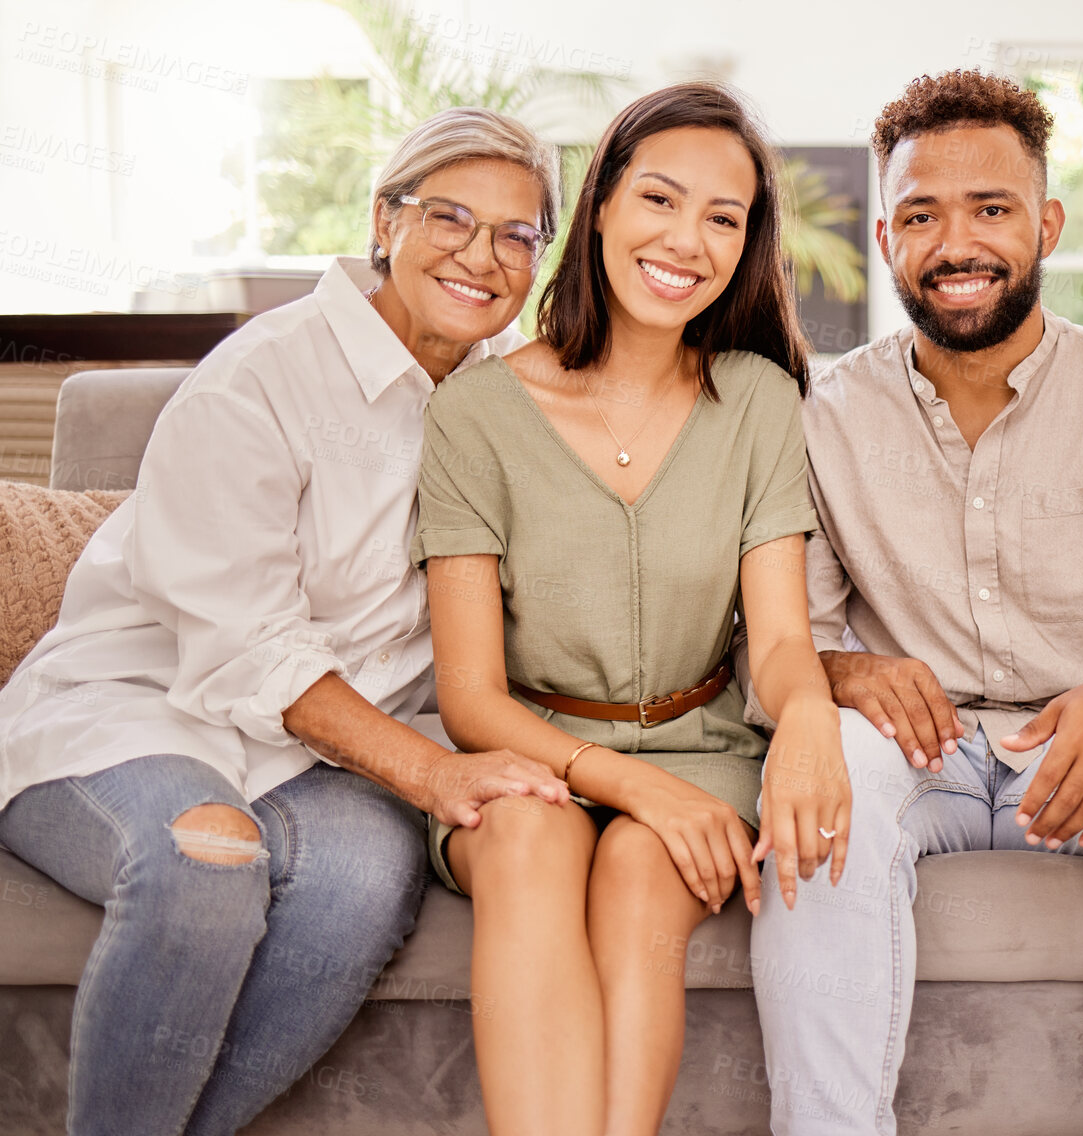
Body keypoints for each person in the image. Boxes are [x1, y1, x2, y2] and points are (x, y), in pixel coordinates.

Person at [0, 107, 567, 1136]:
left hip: (324, 758)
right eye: (450, 216)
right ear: (384, 219)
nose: (481, 256)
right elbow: (243, 642)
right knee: (205, 865)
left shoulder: (507, 399)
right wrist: (433, 772)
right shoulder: (262, 377)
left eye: (517, 233)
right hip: (139, 709)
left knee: (362, 883)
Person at [749, 70, 1083, 1136]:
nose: (958, 244)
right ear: (890, 235)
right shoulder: (821, 415)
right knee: (822, 760)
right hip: (916, 747)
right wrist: (848, 672)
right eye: (923, 216)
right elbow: (783, 636)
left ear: (1047, 223)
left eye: (991, 209)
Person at [411, 82, 850, 1136]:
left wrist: (811, 720)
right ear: (600, 204)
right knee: (527, 839)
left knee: (647, 867)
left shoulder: (756, 398)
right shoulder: (474, 411)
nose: (685, 240)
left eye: (723, 218)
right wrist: (625, 785)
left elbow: (782, 639)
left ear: (747, 246)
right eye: (659, 198)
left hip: (704, 747)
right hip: (531, 745)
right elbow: (469, 697)